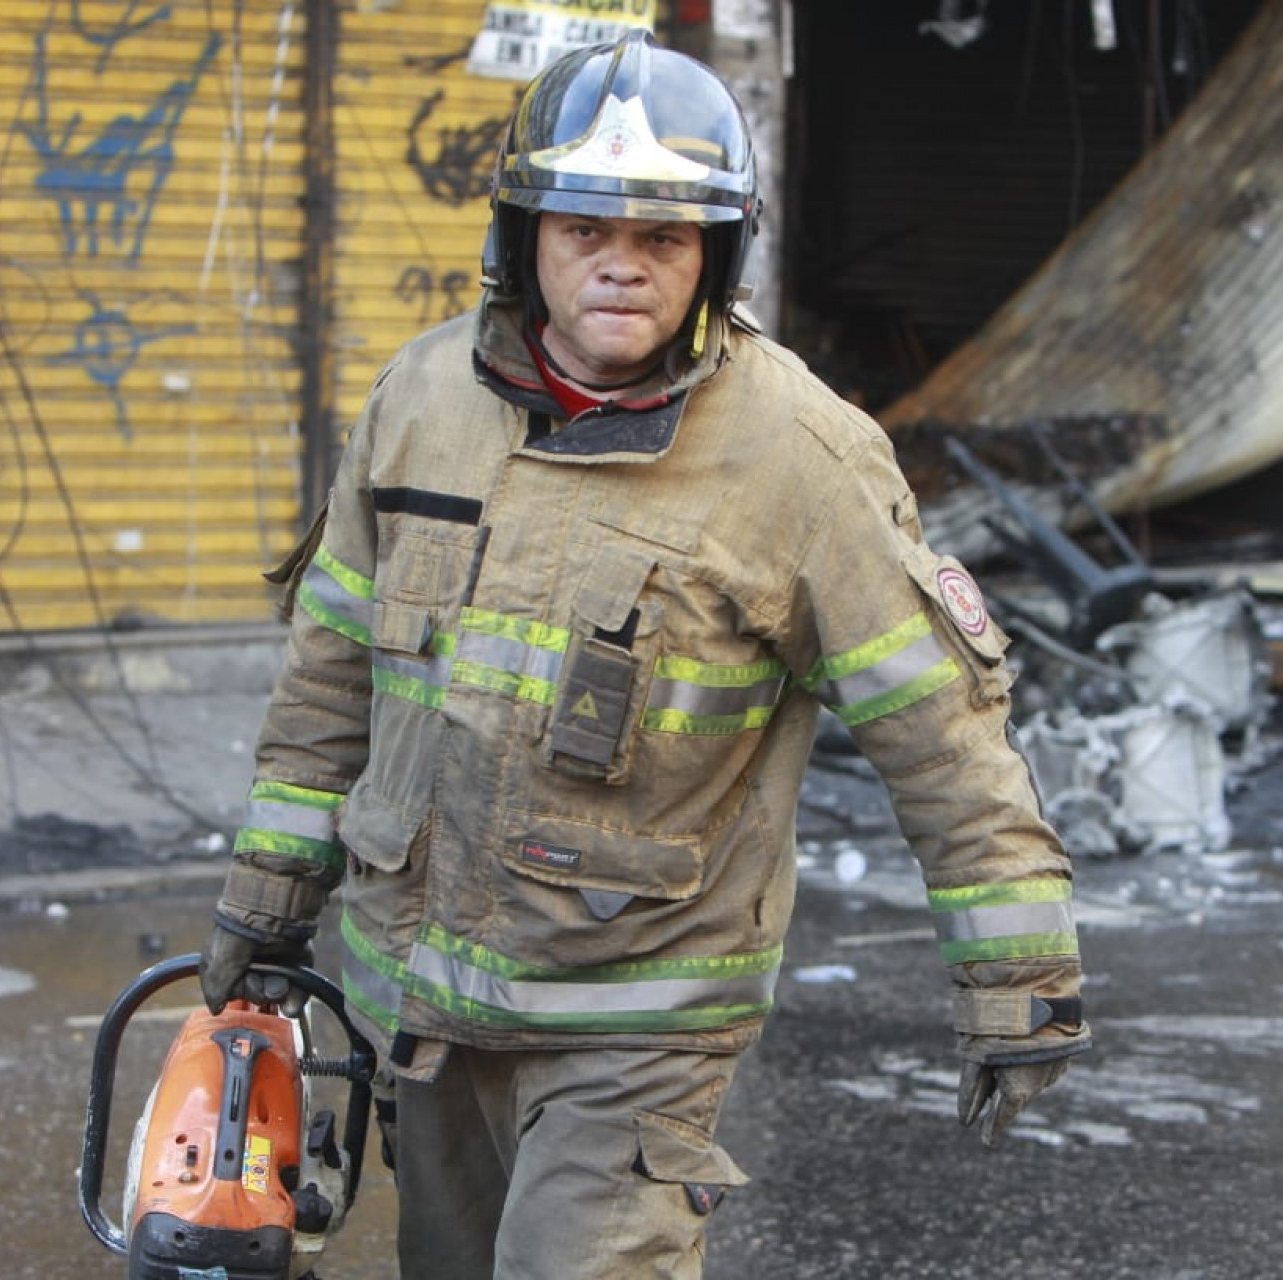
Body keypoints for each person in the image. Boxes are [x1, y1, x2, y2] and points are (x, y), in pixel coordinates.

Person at [200, 31, 1089, 1279]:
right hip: (425, 1008)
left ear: (716, 253)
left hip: (637, 1026)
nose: (622, 263)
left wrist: (1017, 974)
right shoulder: (420, 402)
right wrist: (270, 896)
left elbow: (940, 728)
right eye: (585, 230)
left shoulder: (801, 456)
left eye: (664, 237)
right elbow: (332, 674)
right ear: (526, 237)